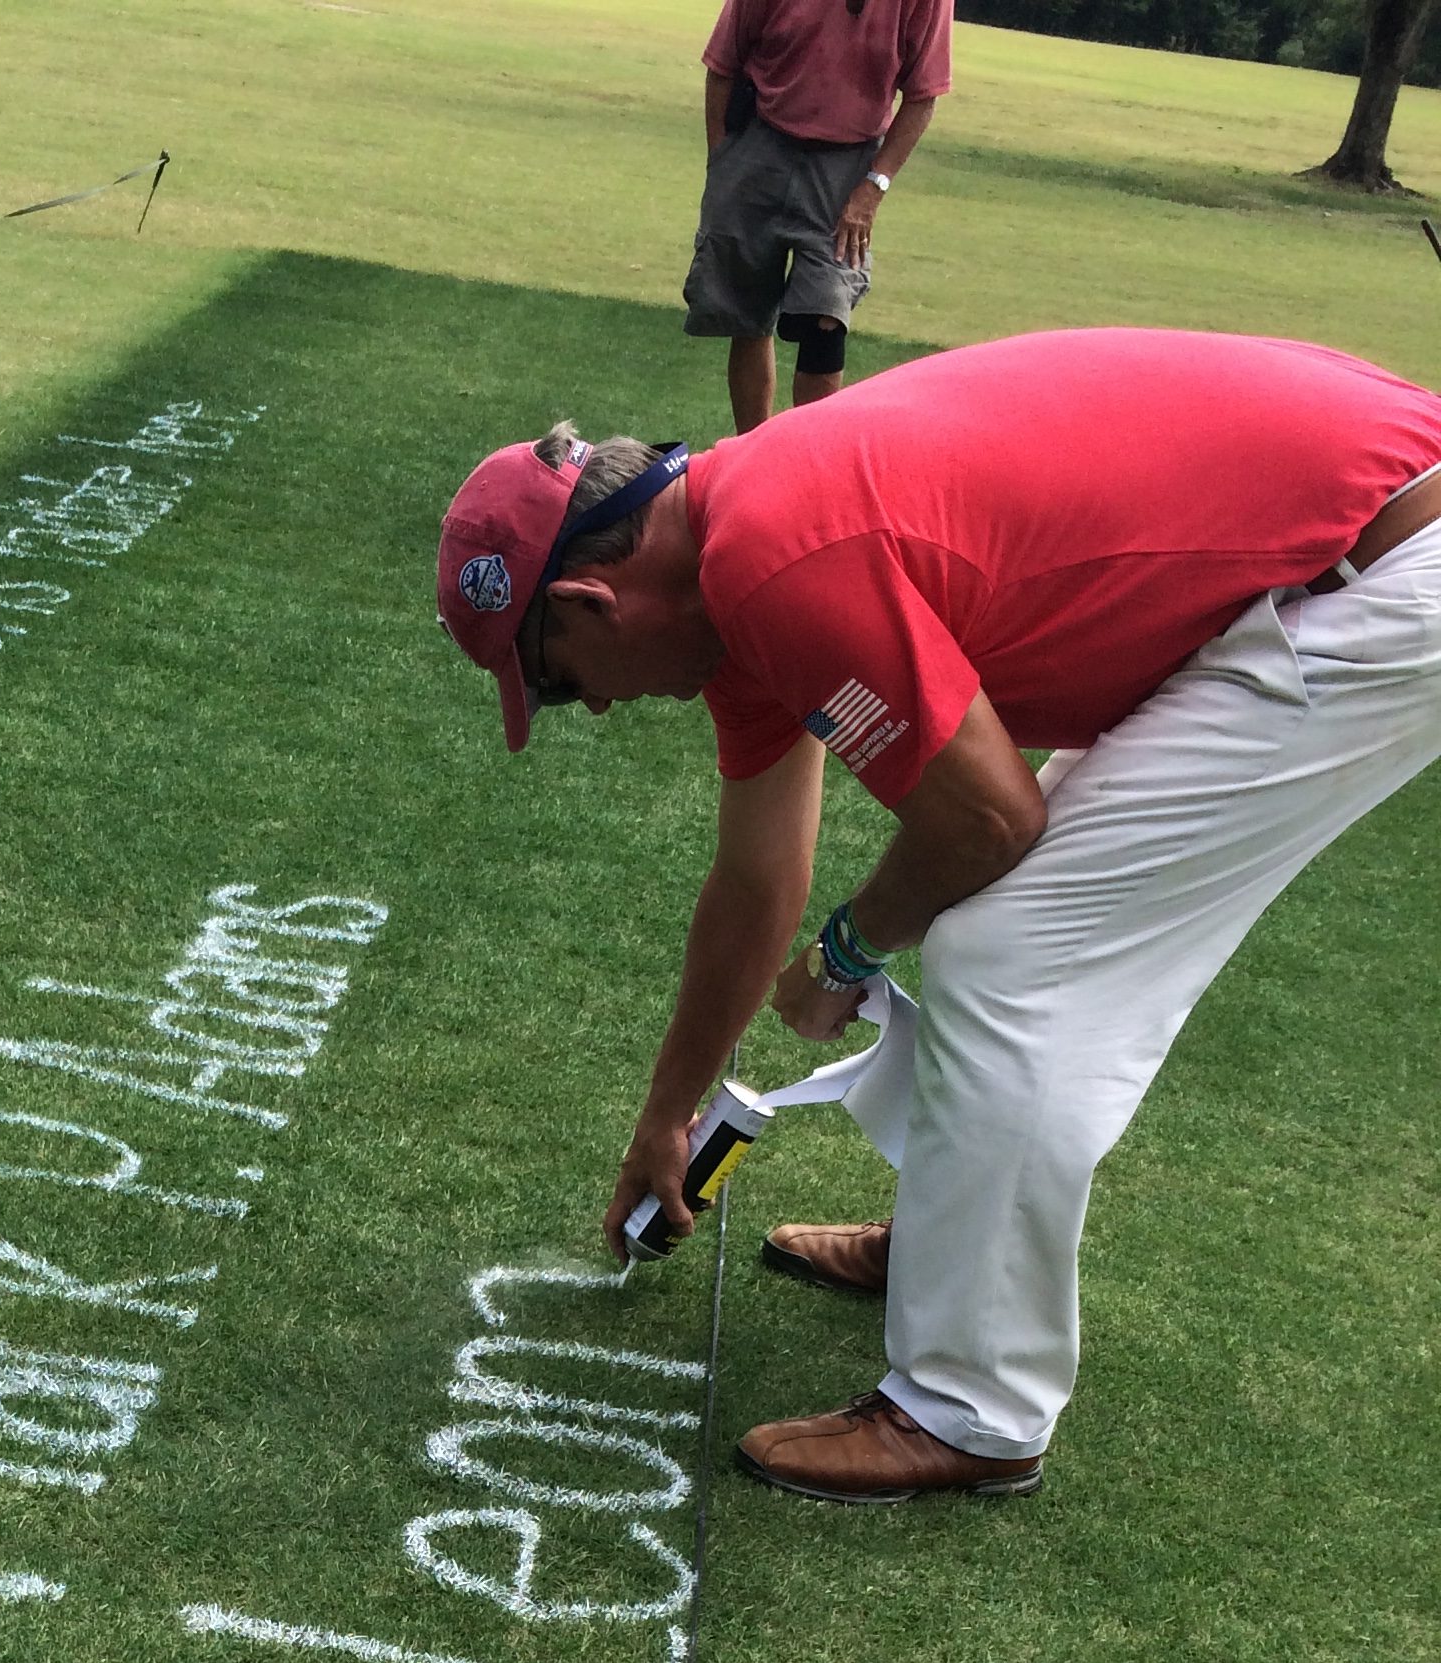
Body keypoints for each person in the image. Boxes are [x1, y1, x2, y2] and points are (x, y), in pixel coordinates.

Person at [433, 329, 1441, 1502]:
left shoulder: (767, 557)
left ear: (588, 599)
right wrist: (668, 1115)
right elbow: (759, 879)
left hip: (1375, 572)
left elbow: (986, 822)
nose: (592, 710)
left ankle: (972, 1408)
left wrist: (851, 949)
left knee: (1011, 952)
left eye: (555, 679)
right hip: (1339, 542)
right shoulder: (733, 566)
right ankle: (953, 1246)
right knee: (1007, 926)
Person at [688, 0, 951, 434]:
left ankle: (809, 464)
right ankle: (755, 456)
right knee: (748, 314)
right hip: (760, 139)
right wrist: (723, 162)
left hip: (848, 164)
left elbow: (923, 95)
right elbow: (723, 64)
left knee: (826, 318)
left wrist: (872, 188)